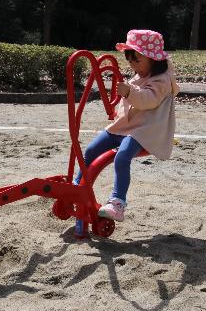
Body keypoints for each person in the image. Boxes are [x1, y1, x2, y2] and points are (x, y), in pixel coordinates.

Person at [73, 29, 179, 222]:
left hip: (146, 130)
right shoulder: (139, 76)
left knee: (122, 157)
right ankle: (77, 186)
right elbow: (130, 103)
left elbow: (148, 100)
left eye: (136, 60)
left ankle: (117, 202)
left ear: (153, 59)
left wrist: (129, 92)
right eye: (130, 61)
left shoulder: (162, 80)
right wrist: (118, 110)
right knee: (90, 150)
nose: (133, 65)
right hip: (126, 127)